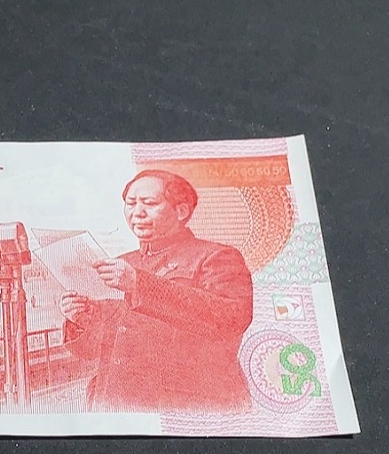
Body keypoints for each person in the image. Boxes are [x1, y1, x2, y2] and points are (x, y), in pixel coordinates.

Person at [60, 170, 253, 412]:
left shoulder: (217, 256)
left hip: (183, 405)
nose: (137, 212)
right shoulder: (123, 263)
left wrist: (139, 284)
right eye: (131, 203)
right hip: (116, 404)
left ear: (181, 211)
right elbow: (92, 351)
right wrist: (80, 318)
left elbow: (231, 319)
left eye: (149, 203)